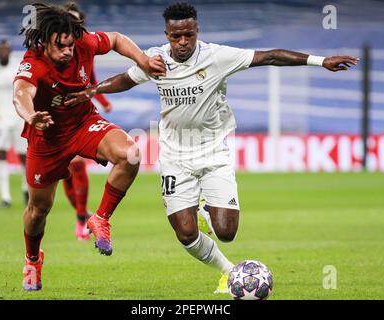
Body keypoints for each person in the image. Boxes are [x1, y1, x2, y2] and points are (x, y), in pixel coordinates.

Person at [65, 2, 358, 294]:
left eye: (188, 36)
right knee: (186, 233)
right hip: (174, 156)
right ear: (167, 34)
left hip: (213, 152)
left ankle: (206, 210)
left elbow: (270, 56)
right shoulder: (154, 59)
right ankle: (228, 271)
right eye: (175, 36)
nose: (182, 42)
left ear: (196, 31)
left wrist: (321, 61)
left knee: (227, 232)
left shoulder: (217, 56)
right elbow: (126, 80)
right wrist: (94, 90)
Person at [13, 2, 165, 291]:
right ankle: (32, 260)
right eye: (61, 46)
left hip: (84, 124)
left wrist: (143, 60)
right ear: (44, 42)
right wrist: (31, 116)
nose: (69, 51)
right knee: (38, 210)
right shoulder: (33, 62)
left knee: (131, 154)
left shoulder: (81, 42)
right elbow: (21, 93)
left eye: (71, 45)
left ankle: (100, 219)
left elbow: (117, 39)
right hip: (48, 138)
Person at [62, 2, 114, 241]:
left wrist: (102, 101)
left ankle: (82, 216)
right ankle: (80, 213)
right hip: (54, 120)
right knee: (64, 173)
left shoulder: (84, 50)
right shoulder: (50, 51)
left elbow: (90, 80)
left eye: (75, 22)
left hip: (79, 118)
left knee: (77, 165)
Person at [0, 39, 29, 209]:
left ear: (10, 51)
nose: (3, 52)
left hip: (19, 117)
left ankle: (26, 190)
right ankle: (5, 197)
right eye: (0, 49)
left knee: (23, 156)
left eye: (6, 49)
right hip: (0, 119)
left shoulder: (19, 67)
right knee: (0, 154)